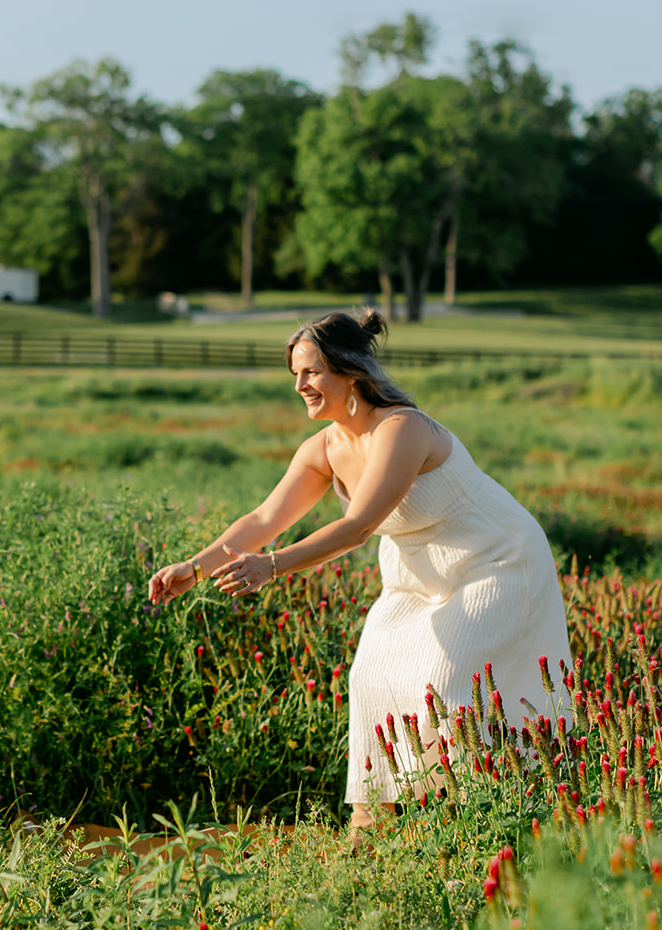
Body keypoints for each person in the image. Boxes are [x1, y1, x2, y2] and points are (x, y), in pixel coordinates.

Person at [147, 310, 573, 830]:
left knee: (448, 683)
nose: (300, 385)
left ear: (350, 372)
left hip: (496, 561)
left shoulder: (402, 428)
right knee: (370, 677)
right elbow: (263, 518)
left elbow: (357, 526)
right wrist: (193, 568)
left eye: (311, 373)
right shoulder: (324, 447)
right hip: (417, 575)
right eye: (296, 375)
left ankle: (469, 821)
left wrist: (273, 566)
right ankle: (370, 829)